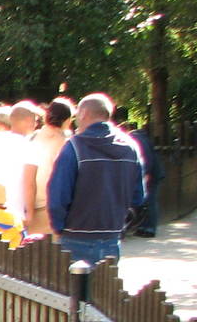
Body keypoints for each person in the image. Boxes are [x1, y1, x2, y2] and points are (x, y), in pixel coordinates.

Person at [45, 93, 146, 264]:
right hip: (111, 235)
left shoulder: (74, 147)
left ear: (83, 114)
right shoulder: (130, 147)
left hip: (75, 235)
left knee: (73, 289)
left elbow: (58, 196)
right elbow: (137, 197)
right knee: (105, 287)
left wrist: (59, 227)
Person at [22, 97, 74, 239]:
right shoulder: (66, 144)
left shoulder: (32, 139)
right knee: (55, 257)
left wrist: (29, 212)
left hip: (30, 207)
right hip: (54, 208)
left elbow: (28, 179)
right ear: (67, 120)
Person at [113, 111, 165, 237]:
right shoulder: (140, 138)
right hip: (153, 172)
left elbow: (145, 159)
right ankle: (145, 226)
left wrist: (145, 174)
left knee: (150, 200)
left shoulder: (136, 140)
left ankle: (149, 228)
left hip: (151, 173)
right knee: (149, 199)